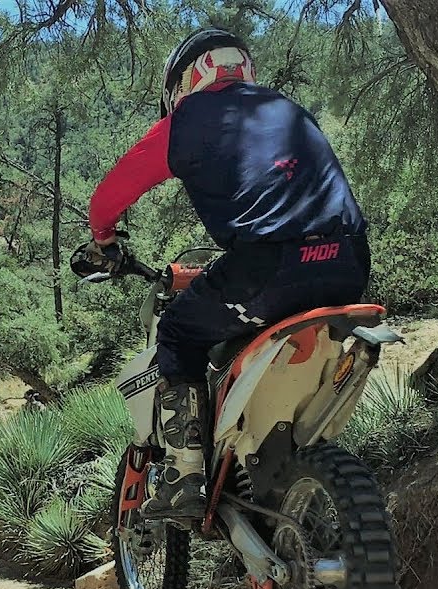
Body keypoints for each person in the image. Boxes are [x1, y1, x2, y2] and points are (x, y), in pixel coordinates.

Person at [75, 27, 371, 520]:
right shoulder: (289, 109)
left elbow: (106, 198)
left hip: (268, 267)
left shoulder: (187, 120)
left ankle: (185, 472)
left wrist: (104, 239)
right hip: (349, 262)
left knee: (179, 331)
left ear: (181, 83)